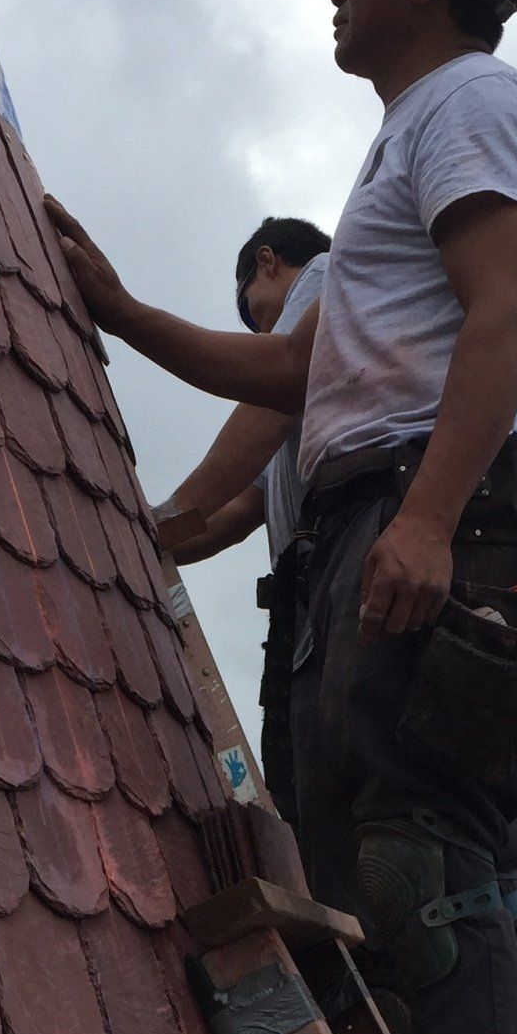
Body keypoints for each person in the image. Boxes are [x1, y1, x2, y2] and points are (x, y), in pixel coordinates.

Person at [47, 0, 517, 1034]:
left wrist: (423, 518)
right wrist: (125, 314)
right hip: (393, 508)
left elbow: (503, 311)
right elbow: (302, 371)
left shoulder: (473, 103)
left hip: (431, 507)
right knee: (432, 859)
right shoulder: (404, 146)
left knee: (424, 860)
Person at [154, 217, 329, 818]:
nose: (260, 329)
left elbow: (270, 396)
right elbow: (237, 510)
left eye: (252, 311)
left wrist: (167, 517)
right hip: (306, 602)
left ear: (268, 261)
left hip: (336, 577)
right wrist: (150, 542)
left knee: (347, 803)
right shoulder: (295, 424)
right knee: (307, 800)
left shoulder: (328, 275)